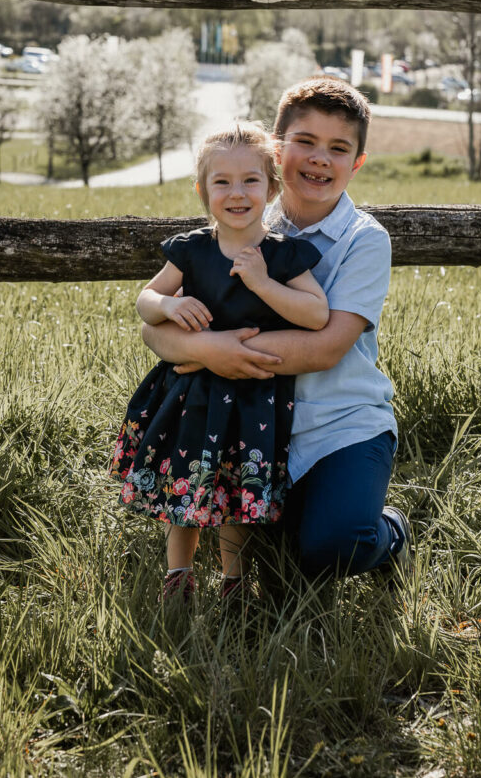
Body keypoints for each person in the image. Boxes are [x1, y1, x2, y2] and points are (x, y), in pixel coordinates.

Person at [139, 77, 410, 583]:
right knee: (267, 555)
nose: (319, 159)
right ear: (277, 151)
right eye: (304, 142)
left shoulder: (364, 240)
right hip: (251, 425)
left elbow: (326, 347)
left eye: (338, 148)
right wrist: (201, 344)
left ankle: (391, 532)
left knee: (334, 546)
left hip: (339, 423)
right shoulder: (239, 215)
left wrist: (215, 353)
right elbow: (156, 329)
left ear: (357, 162)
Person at [110, 122, 328, 602]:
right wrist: (168, 307)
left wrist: (264, 283)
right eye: (221, 182)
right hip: (191, 395)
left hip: (250, 399)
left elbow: (317, 314)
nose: (237, 193)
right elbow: (146, 300)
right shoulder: (191, 250)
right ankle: (178, 578)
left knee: (233, 492)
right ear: (202, 190)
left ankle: (233, 582)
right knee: (185, 488)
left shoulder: (284, 255)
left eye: (251, 180)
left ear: (272, 187)